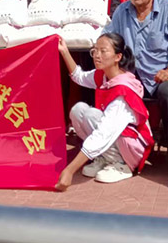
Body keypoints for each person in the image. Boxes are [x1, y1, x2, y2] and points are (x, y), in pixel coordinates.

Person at [104, 0, 168, 180]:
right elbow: (109, 40)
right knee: (112, 87)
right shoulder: (122, 11)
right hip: (136, 75)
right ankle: (119, 154)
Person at [56, 34, 154, 190]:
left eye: (103, 51)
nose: (97, 55)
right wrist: (64, 51)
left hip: (132, 148)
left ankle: (121, 164)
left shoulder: (123, 92)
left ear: (118, 57)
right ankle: (104, 157)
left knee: (92, 116)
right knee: (78, 110)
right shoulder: (103, 75)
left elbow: (103, 134)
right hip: (117, 138)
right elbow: (79, 77)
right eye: (95, 50)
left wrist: (70, 170)